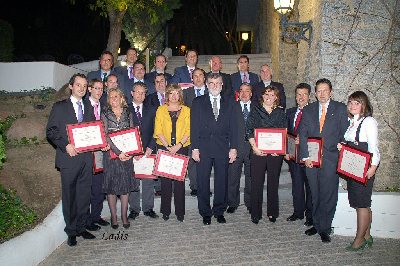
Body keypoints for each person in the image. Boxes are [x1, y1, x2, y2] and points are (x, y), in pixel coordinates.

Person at [46, 73, 96, 246]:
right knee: (70, 195)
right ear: (71, 86)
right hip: (68, 159)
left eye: (84, 86)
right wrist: (65, 145)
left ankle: (82, 227)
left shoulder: (88, 106)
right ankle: (71, 231)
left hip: (86, 159)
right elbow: (51, 131)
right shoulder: (60, 107)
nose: (81, 88)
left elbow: (92, 131)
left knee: (84, 194)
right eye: (78, 85)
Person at [298, 78, 349, 243]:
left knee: (328, 195)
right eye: (318, 91)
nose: (322, 94)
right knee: (315, 193)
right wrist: (305, 156)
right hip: (311, 160)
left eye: (325, 90)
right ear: (315, 93)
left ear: (331, 92)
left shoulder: (340, 108)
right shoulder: (309, 109)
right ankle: (316, 223)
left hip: (331, 159)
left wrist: (342, 144)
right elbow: (303, 133)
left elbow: (345, 133)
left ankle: (325, 228)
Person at [191, 73, 238, 225]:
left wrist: (234, 148)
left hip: (223, 148)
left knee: (221, 181)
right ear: (206, 84)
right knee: (203, 181)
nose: (214, 86)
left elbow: (234, 128)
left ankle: (219, 211)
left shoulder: (231, 102)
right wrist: (195, 148)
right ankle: (205, 212)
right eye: (211, 83)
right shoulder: (198, 102)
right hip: (203, 148)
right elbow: (194, 127)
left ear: (222, 85)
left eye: (217, 83)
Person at [337, 91, 380, 251]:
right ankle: (367, 235)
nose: (353, 105)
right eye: (351, 102)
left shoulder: (369, 122)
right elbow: (353, 144)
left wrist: (373, 167)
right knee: (360, 203)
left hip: (365, 169)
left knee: (361, 204)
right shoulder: (353, 122)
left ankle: (359, 240)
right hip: (353, 169)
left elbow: (373, 148)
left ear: (364, 105)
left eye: (357, 102)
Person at [246, 85, 286, 224]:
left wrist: (280, 149)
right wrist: (255, 147)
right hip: (258, 152)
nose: (269, 97)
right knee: (256, 182)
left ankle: (272, 212)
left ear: (276, 97)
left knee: (273, 182)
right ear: (262, 96)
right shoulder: (255, 111)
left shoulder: (280, 113)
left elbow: (284, 132)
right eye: (267, 94)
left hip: (275, 154)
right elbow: (249, 130)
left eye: (272, 95)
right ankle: (255, 213)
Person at [102, 87, 138, 229]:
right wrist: (118, 152)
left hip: (126, 154)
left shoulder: (128, 112)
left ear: (121, 98)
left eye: (116, 96)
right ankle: (114, 216)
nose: (114, 99)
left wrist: (128, 152)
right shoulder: (104, 113)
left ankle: (124, 215)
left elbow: (131, 131)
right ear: (108, 100)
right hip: (111, 154)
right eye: (111, 97)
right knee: (111, 187)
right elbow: (105, 134)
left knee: (125, 186)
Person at [153, 84, 191, 222]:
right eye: (171, 93)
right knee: (165, 181)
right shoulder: (161, 109)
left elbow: (189, 130)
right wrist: (168, 146)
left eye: (177, 93)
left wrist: (178, 145)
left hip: (182, 147)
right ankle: (166, 211)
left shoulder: (187, 110)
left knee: (179, 181)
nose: (174, 96)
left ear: (180, 95)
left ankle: (180, 212)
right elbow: (158, 130)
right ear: (167, 95)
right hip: (164, 148)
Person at [128, 82, 159, 220]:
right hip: (131, 152)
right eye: (138, 92)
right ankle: (134, 209)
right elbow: (123, 132)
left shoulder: (152, 109)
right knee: (133, 181)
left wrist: (150, 147)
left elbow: (156, 130)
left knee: (148, 181)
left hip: (149, 150)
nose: (140, 95)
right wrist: (132, 151)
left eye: (143, 93)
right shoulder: (125, 110)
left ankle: (148, 208)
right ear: (132, 93)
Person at [285, 83, 313, 226]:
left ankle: (310, 216)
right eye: (298, 94)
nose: (301, 97)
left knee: (309, 187)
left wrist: (303, 138)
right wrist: (285, 151)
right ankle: (298, 212)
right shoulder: (289, 112)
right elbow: (285, 133)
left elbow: (317, 134)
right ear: (295, 97)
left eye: (304, 94)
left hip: (308, 155)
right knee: (296, 185)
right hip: (293, 156)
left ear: (309, 96)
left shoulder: (314, 112)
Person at [85, 79, 110, 230]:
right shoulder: (83, 106)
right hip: (87, 154)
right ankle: (87, 220)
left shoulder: (104, 107)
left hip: (101, 154)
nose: (99, 91)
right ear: (89, 89)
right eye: (96, 88)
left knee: (99, 187)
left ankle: (96, 216)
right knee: (87, 189)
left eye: (101, 89)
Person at [227, 83, 253, 214]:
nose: (244, 94)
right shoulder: (232, 107)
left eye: (247, 91)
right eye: (241, 91)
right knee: (233, 176)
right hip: (235, 147)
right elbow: (228, 128)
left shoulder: (257, 108)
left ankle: (250, 202)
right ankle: (232, 202)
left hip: (252, 148)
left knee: (251, 177)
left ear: (251, 94)